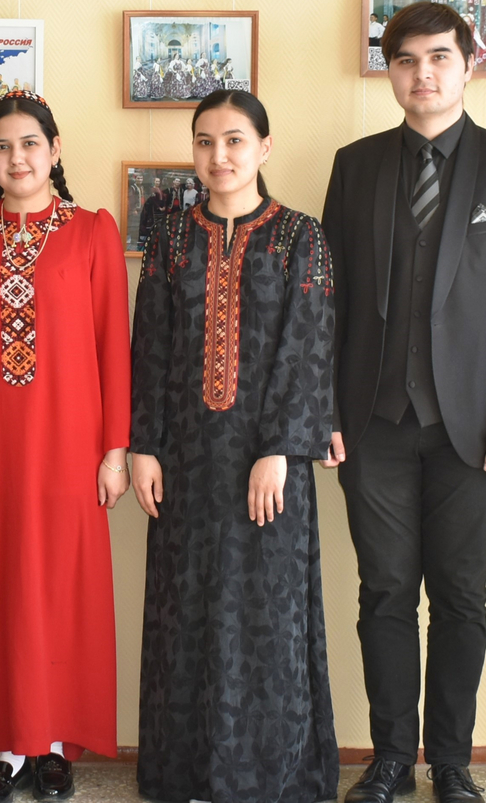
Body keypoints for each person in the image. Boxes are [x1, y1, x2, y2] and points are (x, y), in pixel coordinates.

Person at [322, 2, 486, 803]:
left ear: (469, 63)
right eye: (405, 60)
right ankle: (392, 757)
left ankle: (452, 761)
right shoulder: (355, 166)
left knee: (461, 596)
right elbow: (329, 302)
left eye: (438, 57)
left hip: (478, 428)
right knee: (384, 592)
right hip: (373, 422)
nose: (422, 73)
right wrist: (325, 414)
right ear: (388, 71)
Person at [0, 92, 132, 803]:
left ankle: (54, 745)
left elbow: (113, 346)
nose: (17, 158)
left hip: (68, 445)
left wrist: (115, 449)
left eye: (30, 144)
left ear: (55, 149)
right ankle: (10, 749)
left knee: (60, 590)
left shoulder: (92, 231)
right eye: (3, 146)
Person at [130, 89, 340, 803]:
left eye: (234, 140)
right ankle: (188, 774)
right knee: (186, 615)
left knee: (266, 620)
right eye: (205, 141)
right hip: (184, 461)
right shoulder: (170, 237)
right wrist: (144, 444)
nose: (218, 156)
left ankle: (268, 776)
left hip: (268, 465)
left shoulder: (299, 236)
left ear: (264, 147)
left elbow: (308, 344)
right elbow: (150, 345)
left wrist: (280, 447)